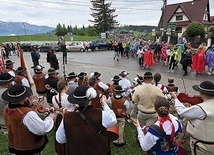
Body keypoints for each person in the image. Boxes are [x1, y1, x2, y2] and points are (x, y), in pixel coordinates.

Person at [56, 85, 117, 155]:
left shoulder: (67, 117)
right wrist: (105, 105)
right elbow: (112, 120)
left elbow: (60, 139)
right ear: (90, 98)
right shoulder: (99, 113)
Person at [2, 84, 55, 155]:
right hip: (29, 148)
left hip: (16, 143)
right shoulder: (27, 114)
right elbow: (42, 129)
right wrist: (50, 118)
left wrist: (31, 104)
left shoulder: (6, 108)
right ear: (23, 98)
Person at [171, 81, 214, 155]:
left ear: (201, 93)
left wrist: (176, 99)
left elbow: (182, 112)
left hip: (203, 145)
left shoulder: (201, 108)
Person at [53, 79, 76, 155]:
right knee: (68, 135)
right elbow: (74, 108)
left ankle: (60, 150)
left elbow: (56, 110)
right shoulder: (69, 98)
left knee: (60, 134)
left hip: (59, 118)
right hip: (68, 119)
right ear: (66, 87)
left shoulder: (54, 98)